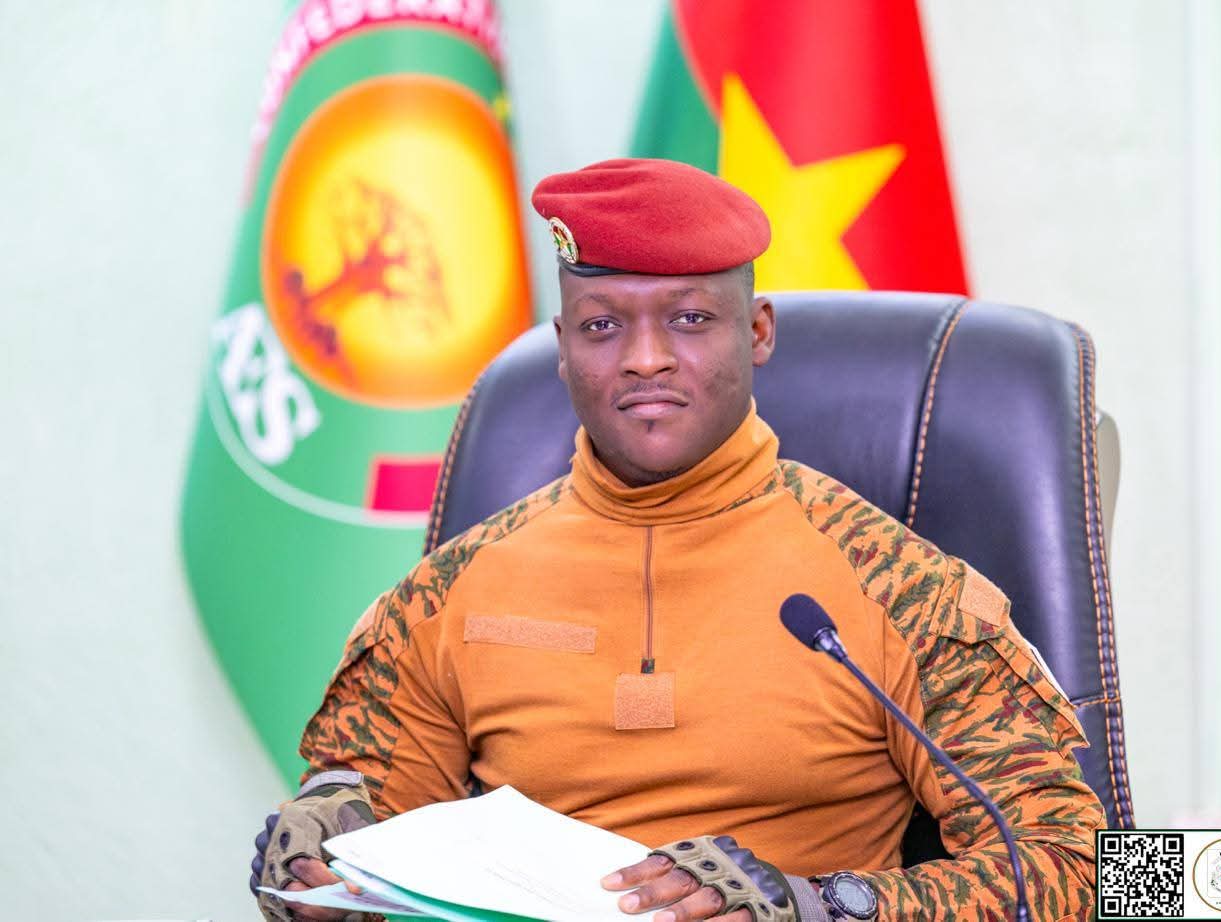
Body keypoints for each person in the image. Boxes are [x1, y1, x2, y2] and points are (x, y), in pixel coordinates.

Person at [251, 158, 1104, 922]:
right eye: (601, 327)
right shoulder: (447, 596)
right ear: (562, 349)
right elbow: (361, 832)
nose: (646, 359)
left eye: (691, 319)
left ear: (757, 331)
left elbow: (1084, 871)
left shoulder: (896, 587)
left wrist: (815, 905)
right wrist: (321, 861)